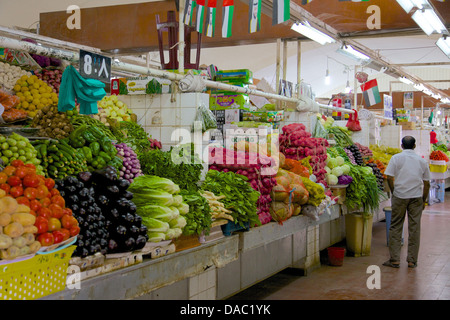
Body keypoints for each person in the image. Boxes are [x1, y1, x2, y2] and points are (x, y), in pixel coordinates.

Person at [383, 136, 430, 268]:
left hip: (400, 196)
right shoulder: (422, 161)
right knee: (414, 228)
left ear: (402, 145)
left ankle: (395, 259)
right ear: (414, 146)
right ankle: (412, 260)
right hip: (416, 197)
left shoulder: (396, 158)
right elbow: (426, 183)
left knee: (396, 226)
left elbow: (389, 177)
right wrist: (423, 200)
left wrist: (394, 192)